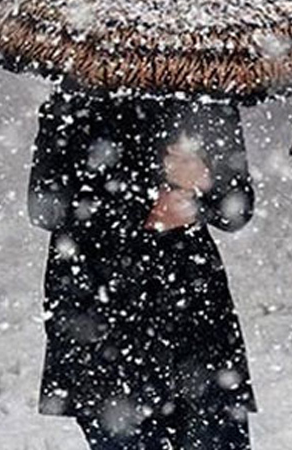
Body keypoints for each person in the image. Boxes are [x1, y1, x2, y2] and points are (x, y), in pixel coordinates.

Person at [28, 83, 258, 449]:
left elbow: (238, 208)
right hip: (103, 315)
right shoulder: (77, 97)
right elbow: (46, 206)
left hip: (193, 310)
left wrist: (205, 183)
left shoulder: (202, 91)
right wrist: (144, 206)